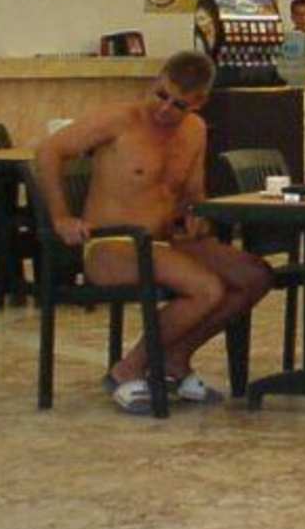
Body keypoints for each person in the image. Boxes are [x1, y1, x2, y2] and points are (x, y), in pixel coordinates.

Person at [35, 50, 273, 414]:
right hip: (111, 245)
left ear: (198, 103)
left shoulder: (195, 131)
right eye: (161, 95)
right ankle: (128, 368)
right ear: (156, 80)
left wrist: (194, 216)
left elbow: (193, 194)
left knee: (254, 276)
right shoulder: (117, 120)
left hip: (164, 242)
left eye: (179, 105)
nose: (164, 109)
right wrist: (61, 217)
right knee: (206, 289)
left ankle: (175, 358)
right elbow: (48, 151)